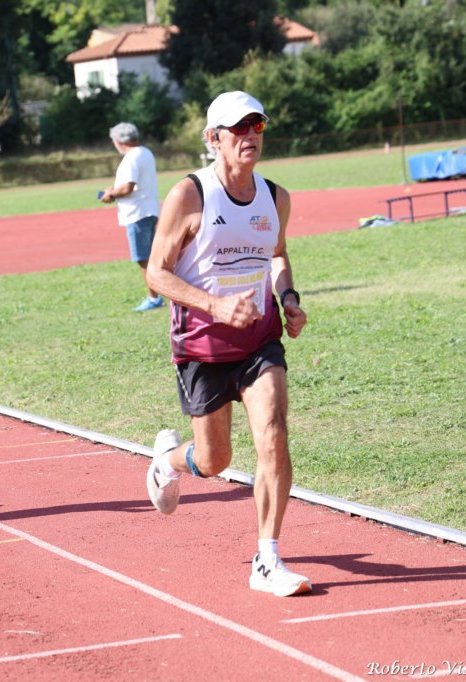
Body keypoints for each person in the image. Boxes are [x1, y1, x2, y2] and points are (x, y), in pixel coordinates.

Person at [143, 91, 311, 597]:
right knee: (214, 461)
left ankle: (267, 559)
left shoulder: (276, 197)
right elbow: (156, 274)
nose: (250, 136)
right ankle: (167, 462)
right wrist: (215, 306)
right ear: (213, 138)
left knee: (274, 434)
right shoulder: (190, 195)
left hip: (259, 340)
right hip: (202, 348)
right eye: (238, 128)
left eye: (257, 125)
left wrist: (288, 297)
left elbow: (277, 254)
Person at [99, 123, 162, 312]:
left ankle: (154, 297)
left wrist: (110, 194)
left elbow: (128, 187)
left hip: (137, 212)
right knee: (152, 256)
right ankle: (158, 296)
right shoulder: (145, 152)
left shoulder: (131, 157)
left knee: (144, 258)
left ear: (118, 141)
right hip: (149, 209)